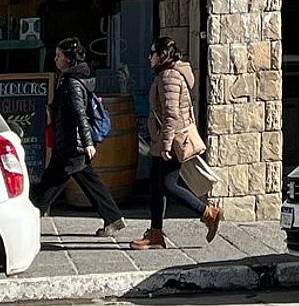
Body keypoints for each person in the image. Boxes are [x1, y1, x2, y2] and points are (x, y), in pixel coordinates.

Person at [131, 34, 222, 249]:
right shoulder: (165, 74)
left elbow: (171, 115)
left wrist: (165, 145)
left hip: (171, 142)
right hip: (163, 141)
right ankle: (155, 233)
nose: (149, 57)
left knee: (166, 185)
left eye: (152, 53)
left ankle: (208, 213)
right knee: (156, 186)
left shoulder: (169, 77)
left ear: (162, 55)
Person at [34, 38, 124, 232]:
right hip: (69, 142)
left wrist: (87, 142)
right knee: (89, 182)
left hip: (72, 144)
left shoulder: (72, 82)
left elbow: (79, 114)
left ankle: (31, 216)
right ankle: (113, 218)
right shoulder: (69, 78)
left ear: (69, 59)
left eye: (59, 56)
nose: (55, 60)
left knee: (50, 184)